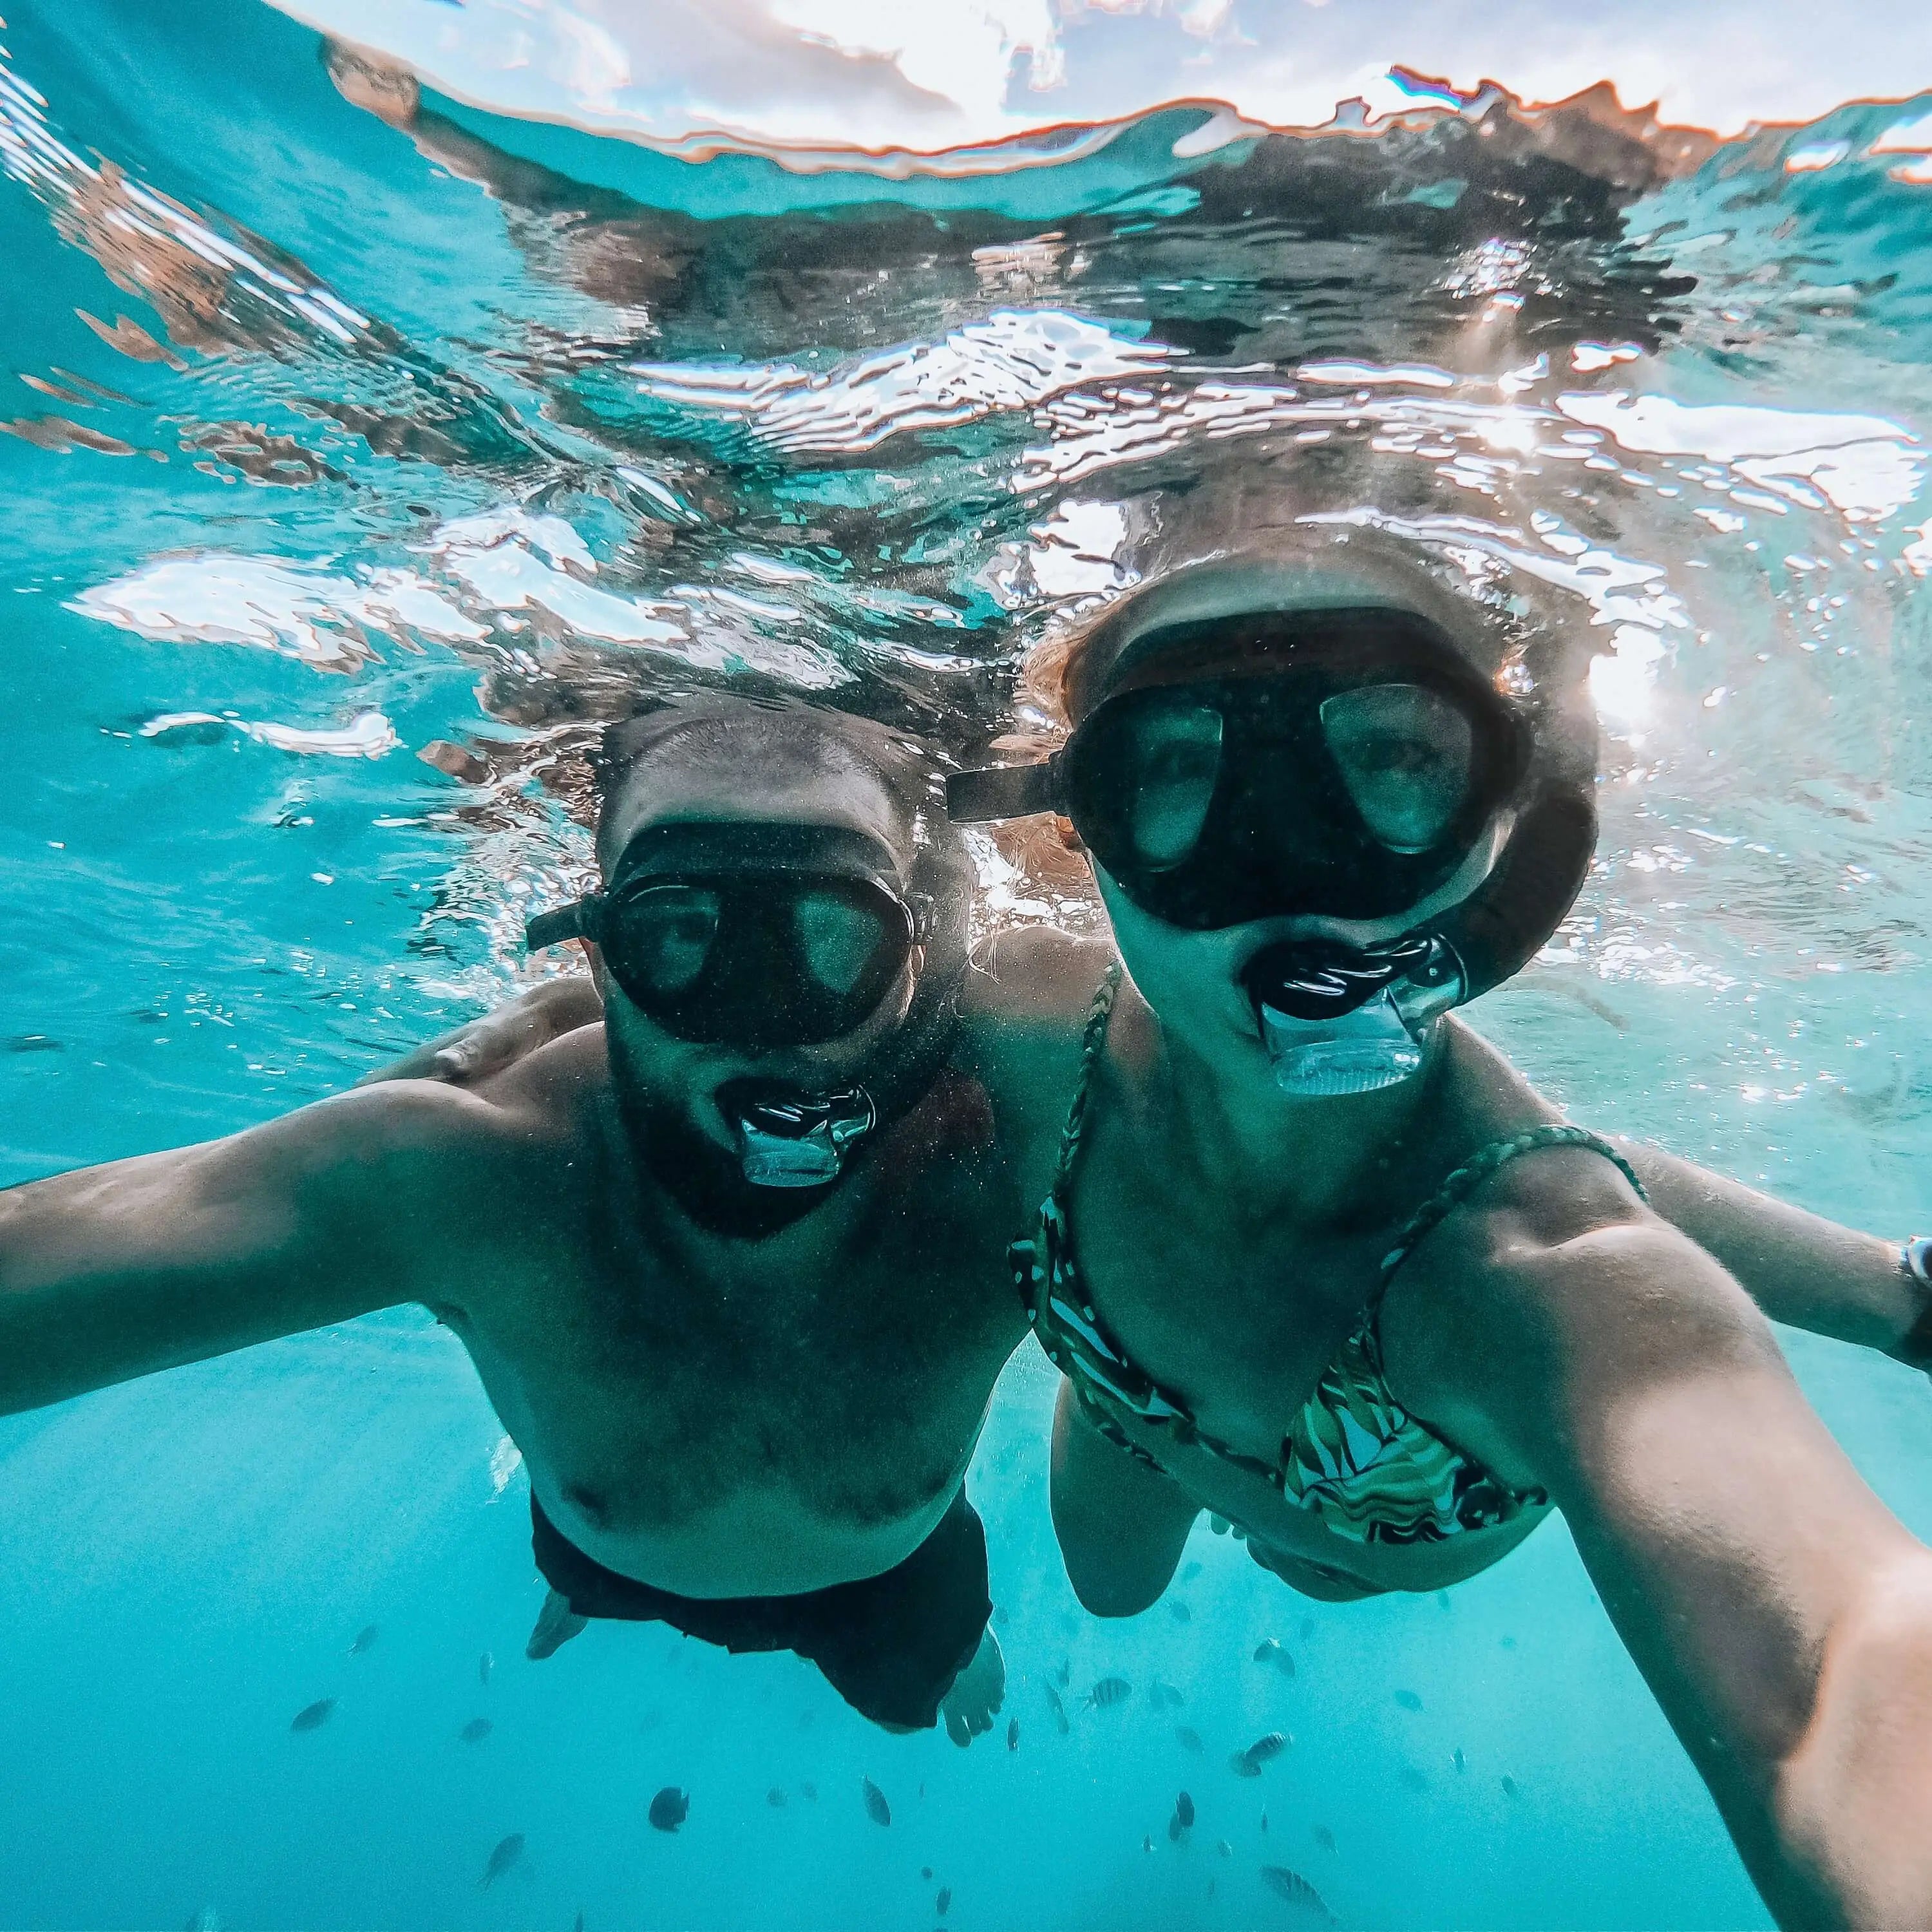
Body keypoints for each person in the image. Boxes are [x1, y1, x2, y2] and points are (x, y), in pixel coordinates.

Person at [945, 514, 1932, 1927]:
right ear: (1077, 824)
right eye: (1174, 765)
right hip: (1128, 1403)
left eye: (1396, 755)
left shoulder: (1543, 1274)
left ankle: (1909, 1300)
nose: (1291, 865)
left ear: (1512, 835)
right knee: (1105, 1596)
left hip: (1376, 1514)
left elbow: (1837, 1670)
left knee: (1528, 1196)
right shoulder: (1040, 1029)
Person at [0, 694, 1048, 1739]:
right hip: (606, 1553)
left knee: (913, 1705)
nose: (757, 1022)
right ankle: (596, 1579)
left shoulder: (1012, 1154)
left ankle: (916, 1639)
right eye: (680, 935)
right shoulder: (480, 1168)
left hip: (891, 1579)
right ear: (600, 955)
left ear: (917, 957)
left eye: (831, 936)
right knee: (597, 1562)